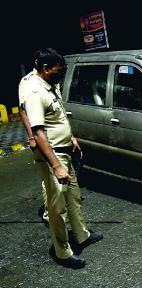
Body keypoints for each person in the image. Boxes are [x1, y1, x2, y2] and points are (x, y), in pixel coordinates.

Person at [21, 48, 103, 268]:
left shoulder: (50, 85)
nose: (62, 74)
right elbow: (38, 132)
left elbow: (57, 118)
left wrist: (72, 137)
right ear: (46, 69)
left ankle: (82, 235)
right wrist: (56, 165)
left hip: (65, 149)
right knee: (57, 207)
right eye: (59, 71)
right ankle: (62, 252)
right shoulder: (34, 91)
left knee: (74, 196)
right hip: (53, 156)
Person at [19, 57, 49, 225]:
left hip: (50, 134)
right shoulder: (27, 82)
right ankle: (48, 213)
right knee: (47, 177)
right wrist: (31, 137)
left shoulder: (46, 80)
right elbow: (23, 110)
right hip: (39, 135)